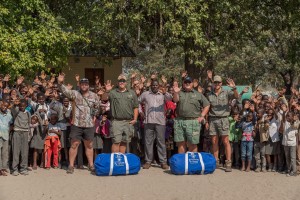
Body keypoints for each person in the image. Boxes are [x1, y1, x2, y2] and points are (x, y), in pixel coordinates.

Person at [57, 73, 101, 174]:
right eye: (82, 84)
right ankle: (71, 166)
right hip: (76, 124)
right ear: (80, 85)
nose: (84, 86)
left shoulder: (94, 96)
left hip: (89, 124)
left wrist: (96, 112)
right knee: (74, 145)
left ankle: (91, 165)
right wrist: (60, 82)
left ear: (88, 85)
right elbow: (64, 91)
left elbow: (98, 109)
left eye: (86, 84)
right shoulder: (75, 94)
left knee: (89, 145)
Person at [206, 75, 239, 172]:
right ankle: (216, 161)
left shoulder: (227, 92)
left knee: (225, 141)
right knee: (214, 141)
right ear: (213, 83)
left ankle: (228, 162)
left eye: (218, 82)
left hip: (224, 119)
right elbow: (208, 108)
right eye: (215, 82)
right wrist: (207, 121)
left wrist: (234, 88)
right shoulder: (210, 94)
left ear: (221, 83)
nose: (217, 84)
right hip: (212, 119)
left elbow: (236, 97)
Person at [101, 74, 138, 153]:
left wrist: (135, 119)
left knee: (124, 142)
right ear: (118, 82)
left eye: (123, 81)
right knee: (116, 142)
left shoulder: (131, 93)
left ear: (126, 82)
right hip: (116, 121)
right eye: (120, 81)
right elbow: (104, 98)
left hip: (128, 121)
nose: (122, 82)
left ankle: (120, 161)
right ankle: (115, 162)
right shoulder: (113, 92)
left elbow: (136, 107)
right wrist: (107, 90)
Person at [139, 79, 171, 170]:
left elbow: (170, 99)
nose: (154, 86)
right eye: (153, 85)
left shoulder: (162, 95)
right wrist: (141, 111)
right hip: (148, 121)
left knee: (161, 142)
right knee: (148, 142)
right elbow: (137, 102)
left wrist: (165, 92)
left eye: (156, 85)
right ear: (151, 86)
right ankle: (148, 161)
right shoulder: (145, 94)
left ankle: (163, 162)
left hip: (160, 122)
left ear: (159, 86)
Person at [173, 77, 210, 153]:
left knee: (192, 144)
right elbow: (175, 100)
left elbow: (207, 105)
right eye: (185, 82)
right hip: (180, 121)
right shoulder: (179, 92)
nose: (187, 84)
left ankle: (192, 162)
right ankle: (183, 163)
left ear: (192, 84)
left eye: (189, 82)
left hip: (193, 121)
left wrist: (202, 115)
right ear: (183, 84)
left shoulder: (198, 94)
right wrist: (176, 92)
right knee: (181, 143)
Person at [11, 99, 31, 176]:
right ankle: (14, 169)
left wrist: (28, 133)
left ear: (26, 106)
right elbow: (13, 109)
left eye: (23, 106)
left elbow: (29, 123)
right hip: (17, 132)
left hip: (25, 133)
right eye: (20, 106)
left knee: (24, 151)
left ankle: (23, 168)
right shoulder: (16, 111)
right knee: (16, 151)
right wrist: (15, 104)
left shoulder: (28, 113)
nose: (22, 107)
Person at [280, 110, 299, 176]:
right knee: (287, 157)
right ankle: (289, 169)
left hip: (292, 143)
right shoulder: (285, 122)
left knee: (293, 158)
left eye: (289, 116)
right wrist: (284, 113)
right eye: (286, 116)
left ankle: (294, 171)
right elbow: (283, 119)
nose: (287, 117)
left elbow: (294, 127)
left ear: (293, 116)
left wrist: (292, 120)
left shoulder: (296, 122)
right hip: (285, 142)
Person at [0, 100, 13, 176]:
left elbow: (11, 124)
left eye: (6, 106)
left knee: (5, 153)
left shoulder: (9, 114)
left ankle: (4, 168)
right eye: (3, 105)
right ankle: (0, 169)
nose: (4, 107)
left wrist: (9, 130)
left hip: (5, 136)